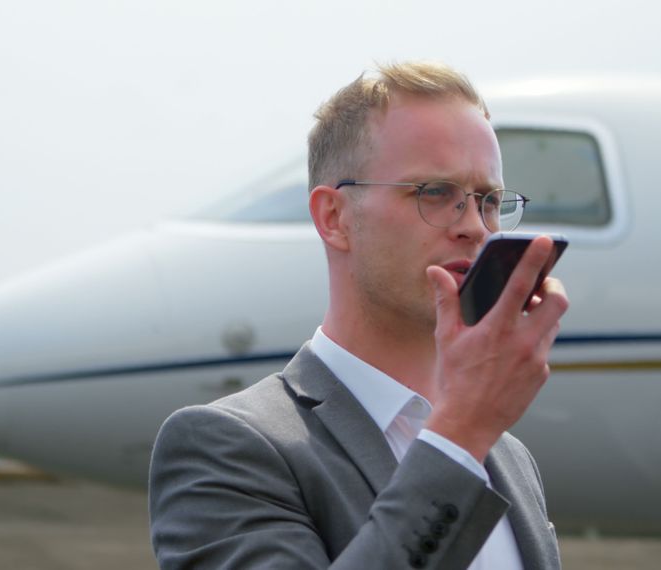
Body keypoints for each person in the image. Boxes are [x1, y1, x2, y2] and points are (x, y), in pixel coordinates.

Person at [148, 61, 567, 569]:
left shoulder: (510, 459)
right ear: (335, 217)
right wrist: (462, 434)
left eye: (490, 200)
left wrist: (469, 432)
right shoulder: (228, 447)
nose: (476, 227)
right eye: (436, 192)